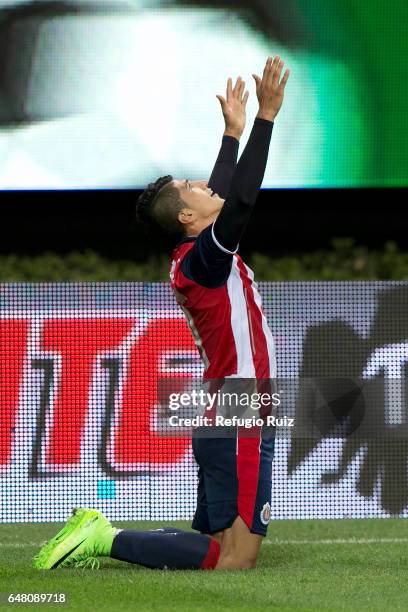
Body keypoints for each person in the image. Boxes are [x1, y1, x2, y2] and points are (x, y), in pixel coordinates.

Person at [33, 56, 290, 571]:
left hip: (233, 403)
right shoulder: (205, 260)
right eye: (196, 187)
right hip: (239, 404)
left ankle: (107, 534)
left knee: (222, 547)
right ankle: (106, 537)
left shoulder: (195, 256)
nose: (206, 183)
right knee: (235, 559)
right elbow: (238, 200)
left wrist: (230, 136)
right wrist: (264, 121)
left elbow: (218, 194)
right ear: (187, 218)